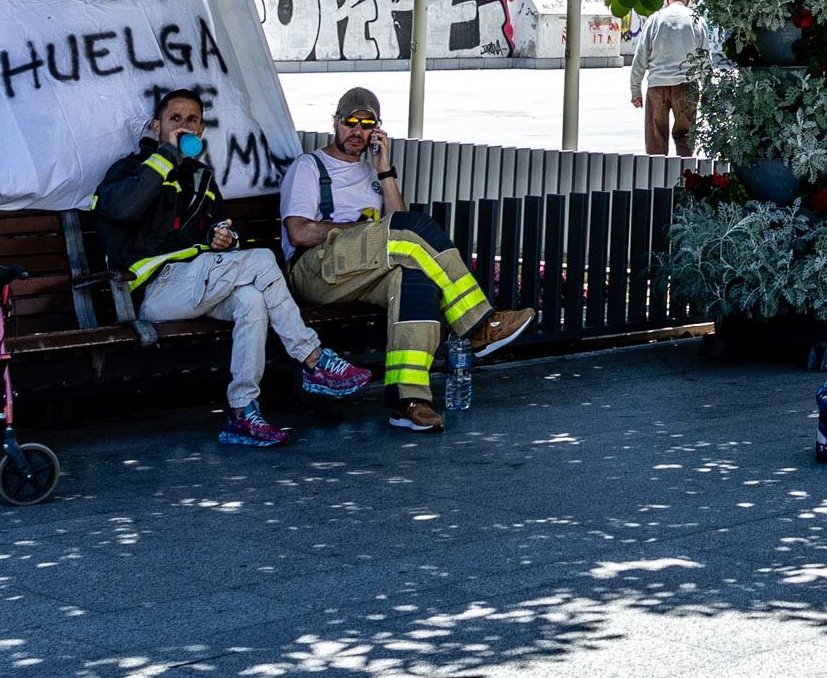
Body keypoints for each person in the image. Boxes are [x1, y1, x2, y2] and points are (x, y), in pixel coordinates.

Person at [89, 86, 369, 448]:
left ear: (202, 130)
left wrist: (223, 238)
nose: (184, 126)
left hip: (198, 282)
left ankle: (242, 413)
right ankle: (312, 358)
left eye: (192, 120)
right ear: (156, 126)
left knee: (251, 300)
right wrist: (166, 156)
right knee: (263, 260)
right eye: (175, 119)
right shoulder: (130, 170)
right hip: (153, 290)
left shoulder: (202, 178)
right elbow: (124, 209)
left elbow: (221, 231)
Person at [278, 85, 536, 433]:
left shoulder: (373, 174)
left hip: (359, 272)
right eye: (350, 122)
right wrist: (353, 231)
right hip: (315, 272)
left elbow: (397, 226)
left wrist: (385, 171)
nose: (357, 131)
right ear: (335, 123)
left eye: (366, 124)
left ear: (377, 131)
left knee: (415, 280)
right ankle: (478, 325)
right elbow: (298, 232)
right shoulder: (309, 167)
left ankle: (409, 401)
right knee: (413, 230)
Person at [627, 0, 709, 156]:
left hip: (657, 86)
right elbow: (705, 60)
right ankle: (685, 176)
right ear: (688, 0)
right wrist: (708, 90)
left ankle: (657, 178)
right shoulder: (697, 19)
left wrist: (636, 90)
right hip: (687, 87)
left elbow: (640, 56)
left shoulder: (655, 19)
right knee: (686, 138)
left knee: (656, 139)